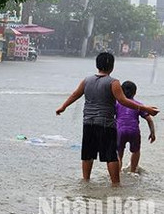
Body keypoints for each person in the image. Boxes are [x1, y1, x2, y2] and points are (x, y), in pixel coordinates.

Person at [56, 52, 159, 186]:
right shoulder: (113, 82)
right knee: (111, 155)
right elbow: (123, 101)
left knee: (88, 153)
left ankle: (86, 181)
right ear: (112, 66)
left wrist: (63, 107)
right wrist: (145, 108)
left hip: (88, 122)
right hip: (106, 124)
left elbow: (75, 94)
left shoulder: (87, 80)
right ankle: (115, 184)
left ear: (97, 65)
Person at [116, 81, 156, 173]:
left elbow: (110, 116)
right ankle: (133, 171)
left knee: (119, 153)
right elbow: (149, 119)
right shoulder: (138, 105)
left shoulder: (117, 104)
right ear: (135, 92)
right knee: (136, 151)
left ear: (121, 92)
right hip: (134, 131)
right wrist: (152, 133)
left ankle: (117, 173)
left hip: (120, 131)